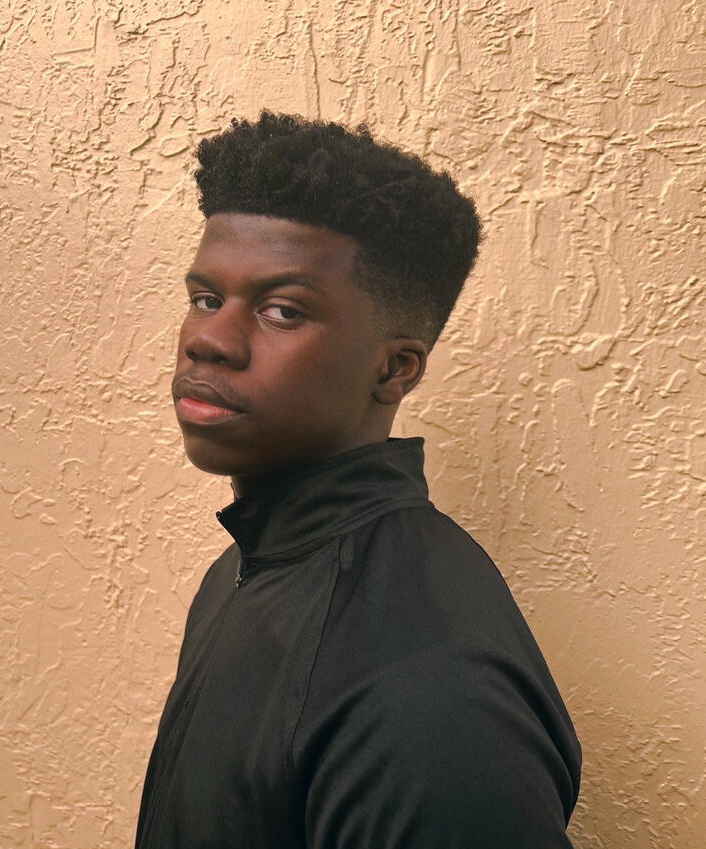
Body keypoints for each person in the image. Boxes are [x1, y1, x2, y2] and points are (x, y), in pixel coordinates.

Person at [135, 112, 581, 849]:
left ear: (395, 368)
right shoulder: (245, 568)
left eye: (283, 311)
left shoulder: (429, 685)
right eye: (206, 298)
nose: (208, 339)